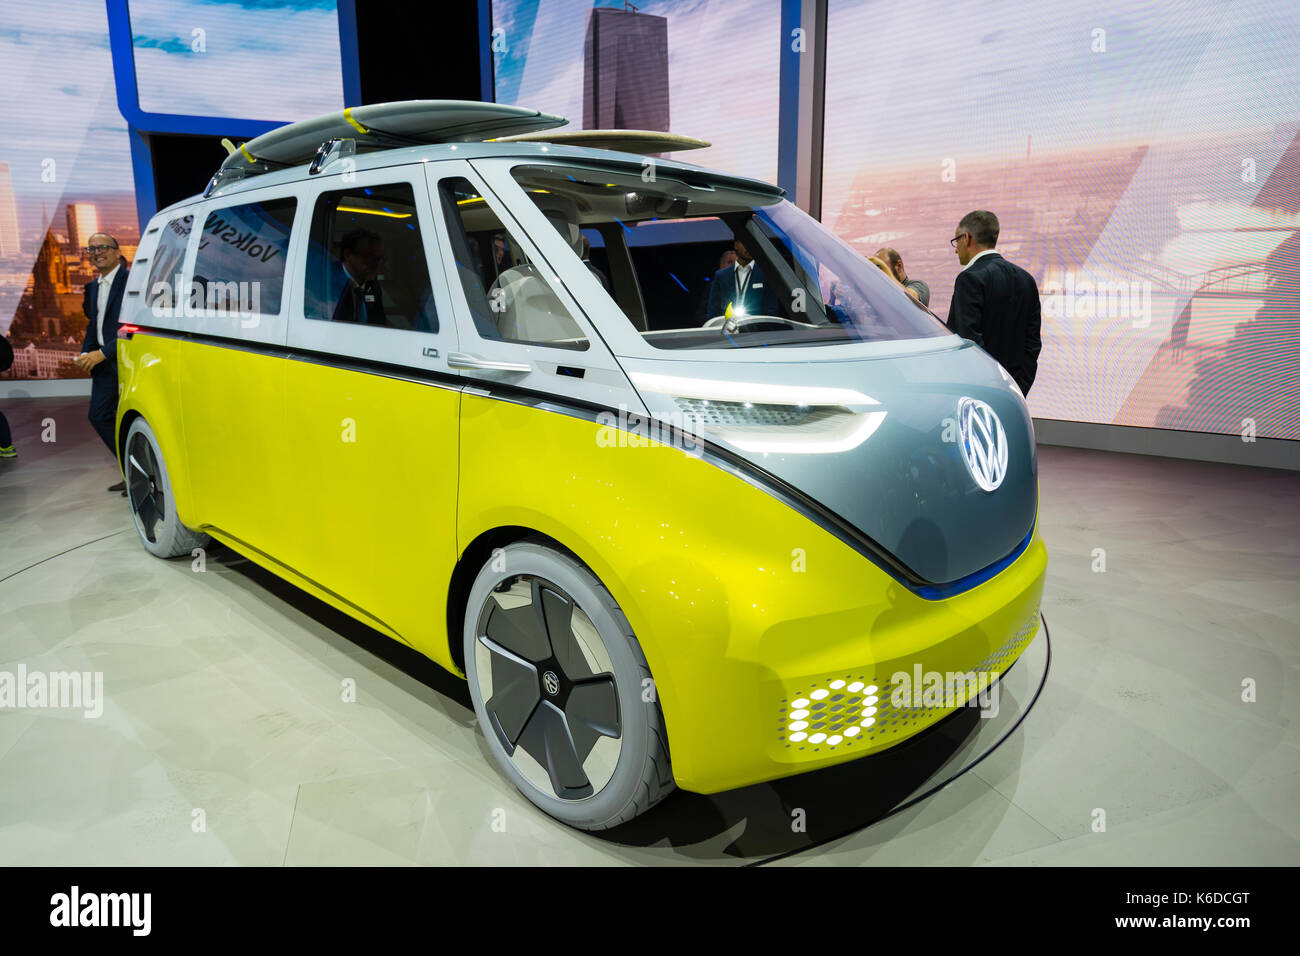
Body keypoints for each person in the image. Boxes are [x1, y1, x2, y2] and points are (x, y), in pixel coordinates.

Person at [947, 210, 1041, 395]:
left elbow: (968, 340)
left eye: (956, 241)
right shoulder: (1026, 278)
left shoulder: (969, 278)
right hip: (1015, 389)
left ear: (967, 238)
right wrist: (1019, 388)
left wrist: (990, 387)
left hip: (981, 389)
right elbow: (1033, 344)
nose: (956, 248)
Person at [73, 233, 130, 493]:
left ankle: (145, 473)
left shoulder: (132, 281)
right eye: (92, 248)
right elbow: (93, 324)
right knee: (99, 416)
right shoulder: (93, 287)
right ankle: (132, 471)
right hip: (104, 364)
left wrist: (103, 353)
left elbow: (133, 328)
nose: (97, 252)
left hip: (128, 361)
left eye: (103, 247)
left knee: (131, 420)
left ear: (117, 252)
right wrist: (88, 355)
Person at [705, 238, 778, 319]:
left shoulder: (766, 274)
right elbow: (713, 311)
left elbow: (771, 311)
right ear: (736, 245)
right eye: (745, 242)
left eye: (753, 243)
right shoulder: (721, 275)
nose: (750, 247)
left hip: (756, 329)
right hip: (727, 328)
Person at [331, 229, 389, 326]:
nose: (376, 265)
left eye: (379, 259)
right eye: (369, 258)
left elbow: (379, 322)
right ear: (348, 255)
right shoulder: (327, 281)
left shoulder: (373, 285)